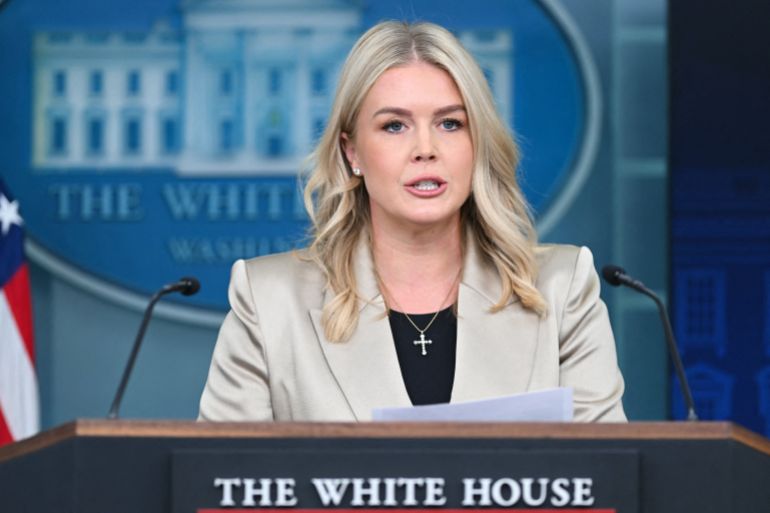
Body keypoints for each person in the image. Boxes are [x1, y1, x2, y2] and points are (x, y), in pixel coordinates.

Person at [198, 21, 626, 422]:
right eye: (395, 125)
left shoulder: (562, 288)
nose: (426, 148)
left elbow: (609, 479)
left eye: (450, 123)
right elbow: (216, 483)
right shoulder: (269, 300)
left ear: (477, 144)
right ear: (352, 153)